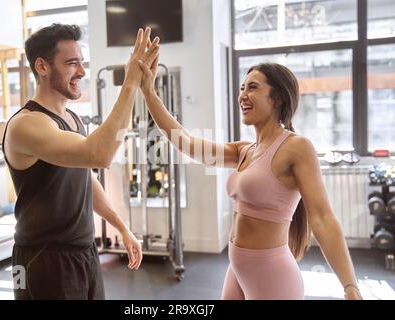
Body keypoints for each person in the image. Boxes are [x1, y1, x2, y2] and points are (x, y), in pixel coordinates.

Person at [138, 55, 362, 300]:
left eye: (252, 87)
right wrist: (149, 92)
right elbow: (186, 142)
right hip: (237, 269)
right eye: (242, 88)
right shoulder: (245, 150)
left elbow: (323, 218)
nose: (242, 95)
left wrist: (350, 286)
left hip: (271, 276)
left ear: (277, 98)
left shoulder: (297, 147)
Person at [2, 24, 160, 299]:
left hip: (83, 251)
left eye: (82, 62)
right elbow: (100, 155)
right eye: (72, 63)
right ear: (42, 66)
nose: (82, 72)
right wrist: (130, 83)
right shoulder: (26, 125)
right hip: (43, 258)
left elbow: (85, 178)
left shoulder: (73, 119)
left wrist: (121, 227)